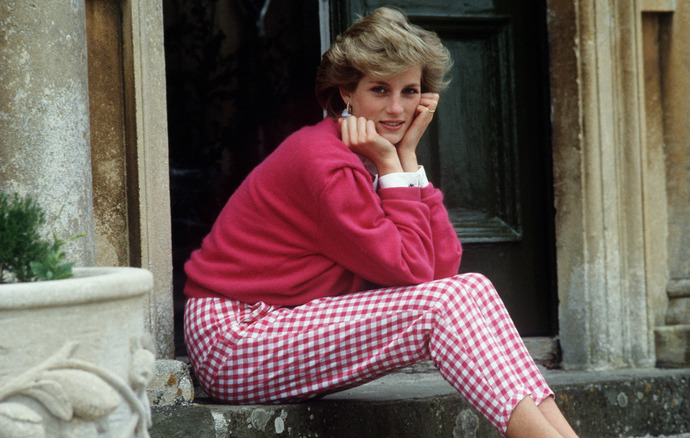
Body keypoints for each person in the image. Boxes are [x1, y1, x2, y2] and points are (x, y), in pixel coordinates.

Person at [183, 6, 578, 438]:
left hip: (283, 321)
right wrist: (392, 161)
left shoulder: (370, 153)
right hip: (235, 339)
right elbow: (411, 274)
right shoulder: (324, 162)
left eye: (410, 91)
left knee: (473, 287)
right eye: (379, 89)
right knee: (443, 304)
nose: (396, 108)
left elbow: (441, 270)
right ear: (347, 93)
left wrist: (406, 159)